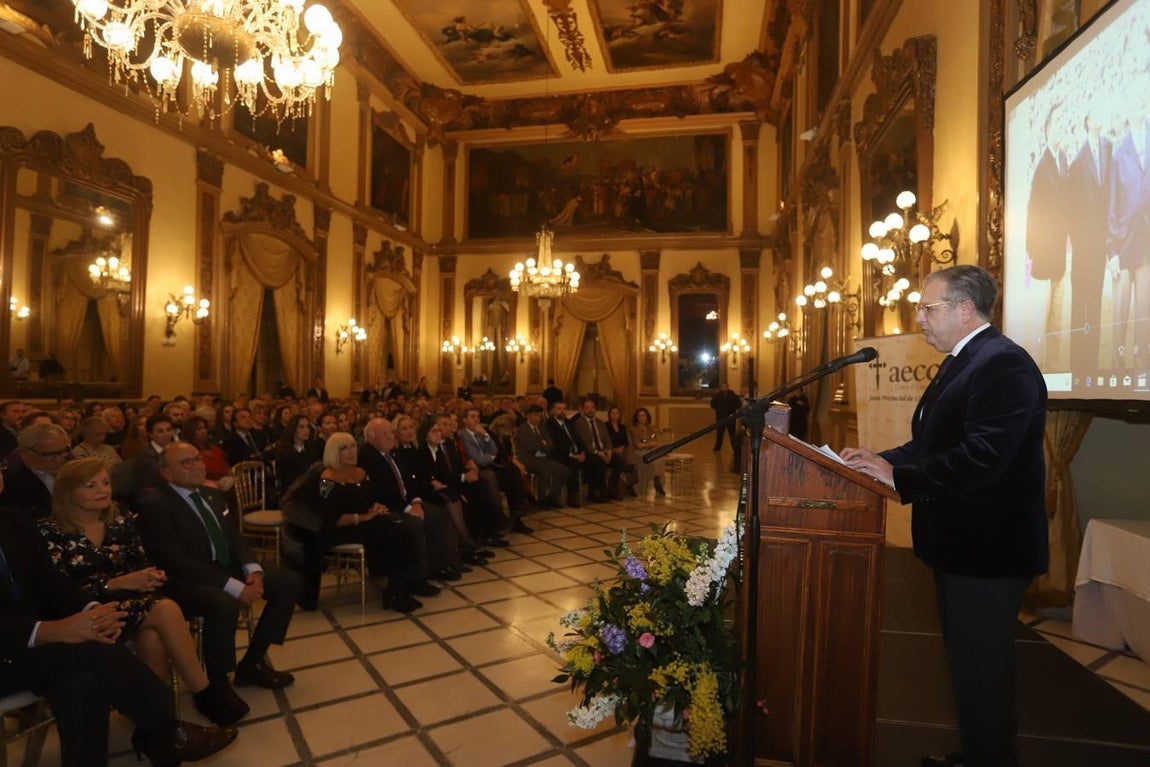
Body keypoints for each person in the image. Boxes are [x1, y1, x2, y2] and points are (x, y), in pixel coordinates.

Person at [841, 266, 1048, 767]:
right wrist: (883, 461)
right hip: (961, 545)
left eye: (927, 309)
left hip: (988, 549)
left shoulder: (1003, 365)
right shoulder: (965, 361)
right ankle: (977, 752)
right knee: (968, 666)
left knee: (983, 668)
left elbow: (982, 459)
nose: (919, 319)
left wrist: (900, 480)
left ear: (964, 310)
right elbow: (932, 444)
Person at [0, 467, 239, 766]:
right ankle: (168, 730)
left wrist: (91, 610)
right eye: (91, 484)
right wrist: (51, 630)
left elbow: (48, 582)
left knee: (80, 680)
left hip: (35, 647)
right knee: (91, 647)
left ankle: (161, 733)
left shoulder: (13, 521)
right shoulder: (46, 526)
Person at [38, 458, 249, 726]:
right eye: (90, 486)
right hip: (85, 611)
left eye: (105, 483)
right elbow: (56, 591)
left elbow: (139, 563)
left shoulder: (121, 516)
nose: (102, 490)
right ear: (67, 492)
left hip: (132, 602)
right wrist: (116, 584)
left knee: (152, 637)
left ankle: (157, 725)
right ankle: (204, 693)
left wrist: (149, 578)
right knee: (165, 609)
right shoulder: (49, 531)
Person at [137, 442, 301, 696]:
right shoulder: (155, 503)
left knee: (287, 581)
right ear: (167, 473)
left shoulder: (210, 494)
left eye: (197, 459)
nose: (196, 466)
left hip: (222, 567)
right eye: (186, 463)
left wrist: (253, 570)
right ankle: (217, 681)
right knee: (223, 602)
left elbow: (234, 538)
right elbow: (176, 560)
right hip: (184, 579)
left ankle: (253, 663)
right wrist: (235, 587)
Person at [280, 432, 425, 612]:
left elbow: (367, 502)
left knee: (401, 528)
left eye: (353, 447)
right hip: (338, 528)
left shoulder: (362, 473)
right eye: (344, 448)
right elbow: (329, 517)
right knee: (392, 532)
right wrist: (364, 517)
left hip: (362, 523)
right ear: (334, 452)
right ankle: (393, 589)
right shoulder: (327, 479)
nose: (351, 452)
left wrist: (375, 508)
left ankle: (399, 587)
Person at [513, 404, 569, 509]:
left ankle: (552, 498)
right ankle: (542, 500)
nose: (538, 418)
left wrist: (543, 445)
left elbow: (551, 444)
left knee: (564, 471)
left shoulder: (542, 427)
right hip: (529, 459)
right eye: (535, 415)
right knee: (544, 471)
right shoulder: (522, 429)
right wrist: (542, 444)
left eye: (539, 415)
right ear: (528, 416)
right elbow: (530, 447)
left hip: (544, 457)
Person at [275, 414, 320, 495]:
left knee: (329, 487)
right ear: (293, 429)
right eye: (301, 427)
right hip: (293, 493)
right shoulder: (285, 452)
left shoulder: (310, 449)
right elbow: (288, 480)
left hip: (310, 489)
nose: (306, 430)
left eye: (307, 427)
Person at [629, 407, 666, 497]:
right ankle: (657, 481)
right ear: (636, 418)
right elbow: (638, 445)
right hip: (639, 453)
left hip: (650, 452)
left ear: (647, 417)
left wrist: (651, 443)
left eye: (644, 415)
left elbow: (656, 441)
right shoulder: (635, 430)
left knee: (658, 457)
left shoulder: (651, 430)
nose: (642, 417)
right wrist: (650, 444)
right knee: (657, 456)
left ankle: (657, 480)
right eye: (639, 416)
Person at [604, 405, 639, 497]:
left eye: (617, 413)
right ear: (609, 415)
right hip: (611, 452)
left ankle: (629, 485)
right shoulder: (605, 426)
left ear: (619, 415)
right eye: (612, 413)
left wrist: (622, 448)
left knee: (632, 459)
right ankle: (615, 487)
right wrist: (615, 449)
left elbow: (626, 442)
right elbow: (605, 441)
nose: (615, 415)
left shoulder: (622, 427)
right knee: (620, 460)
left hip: (622, 450)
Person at [709, 382, 741, 451]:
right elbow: (712, 404)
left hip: (730, 417)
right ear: (721, 388)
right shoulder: (717, 396)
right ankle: (717, 447)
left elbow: (738, 404)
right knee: (719, 433)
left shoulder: (733, 396)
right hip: (720, 417)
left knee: (732, 434)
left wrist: (732, 409)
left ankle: (734, 447)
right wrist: (719, 409)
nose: (724, 388)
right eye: (723, 387)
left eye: (725, 386)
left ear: (728, 387)